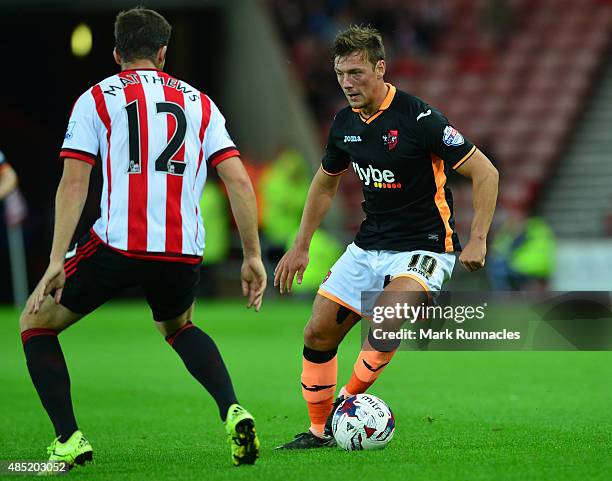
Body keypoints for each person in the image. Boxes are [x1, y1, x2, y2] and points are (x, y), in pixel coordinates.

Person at [19, 7, 265, 468]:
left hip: (119, 244)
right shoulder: (200, 102)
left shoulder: (96, 98)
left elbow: (75, 182)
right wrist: (252, 255)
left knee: (33, 324)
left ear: (116, 53)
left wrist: (56, 258)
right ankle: (233, 409)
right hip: (183, 249)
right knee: (179, 326)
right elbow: (238, 181)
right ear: (164, 54)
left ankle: (68, 439)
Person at [274, 25, 498, 449]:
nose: (347, 83)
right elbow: (325, 183)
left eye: (356, 73)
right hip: (368, 245)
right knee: (316, 334)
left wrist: (479, 238)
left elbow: (485, 172)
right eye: (341, 74)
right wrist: (301, 245)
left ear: (380, 68)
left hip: (425, 247)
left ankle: (348, 403)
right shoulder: (343, 124)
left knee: (386, 317)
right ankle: (319, 432)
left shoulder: (420, 119)